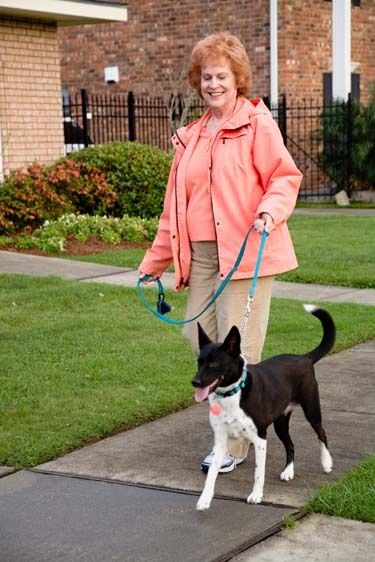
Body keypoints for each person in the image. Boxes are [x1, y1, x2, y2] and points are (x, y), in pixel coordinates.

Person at [139, 32, 302, 473]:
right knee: (200, 342)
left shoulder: (256, 124)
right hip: (203, 258)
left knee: (237, 352)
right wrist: (153, 264)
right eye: (206, 76)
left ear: (237, 79)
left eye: (221, 76)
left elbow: (284, 177)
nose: (213, 84)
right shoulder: (191, 136)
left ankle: (235, 447)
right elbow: (174, 207)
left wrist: (270, 210)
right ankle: (234, 430)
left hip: (245, 253)